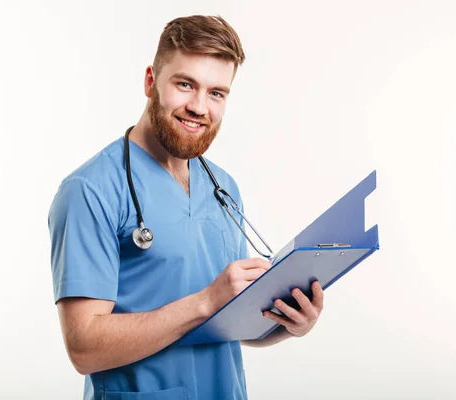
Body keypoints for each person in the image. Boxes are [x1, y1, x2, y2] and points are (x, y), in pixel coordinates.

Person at [48, 14, 324, 400]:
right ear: (150, 81)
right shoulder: (90, 190)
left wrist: (287, 323)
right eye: (184, 84)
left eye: (216, 93)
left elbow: (227, 322)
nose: (199, 107)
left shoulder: (223, 187)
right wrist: (207, 300)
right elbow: (83, 347)